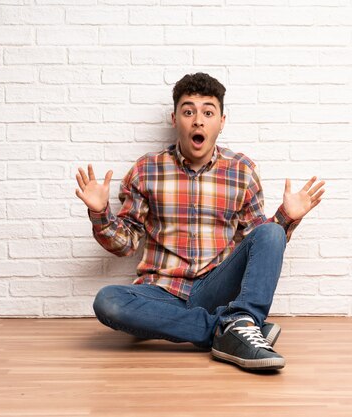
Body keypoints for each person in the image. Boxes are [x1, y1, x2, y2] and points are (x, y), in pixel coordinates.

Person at [75, 72, 325, 371]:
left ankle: (237, 321)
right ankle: (233, 327)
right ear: (174, 118)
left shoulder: (241, 171)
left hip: (215, 286)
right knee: (108, 301)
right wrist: (100, 212)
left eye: (208, 112)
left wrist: (286, 218)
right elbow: (125, 243)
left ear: (221, 121)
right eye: (188, 111)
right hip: (161, 292)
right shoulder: (147, 169)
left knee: (271, 232)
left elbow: (256, 244)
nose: (198, 120)